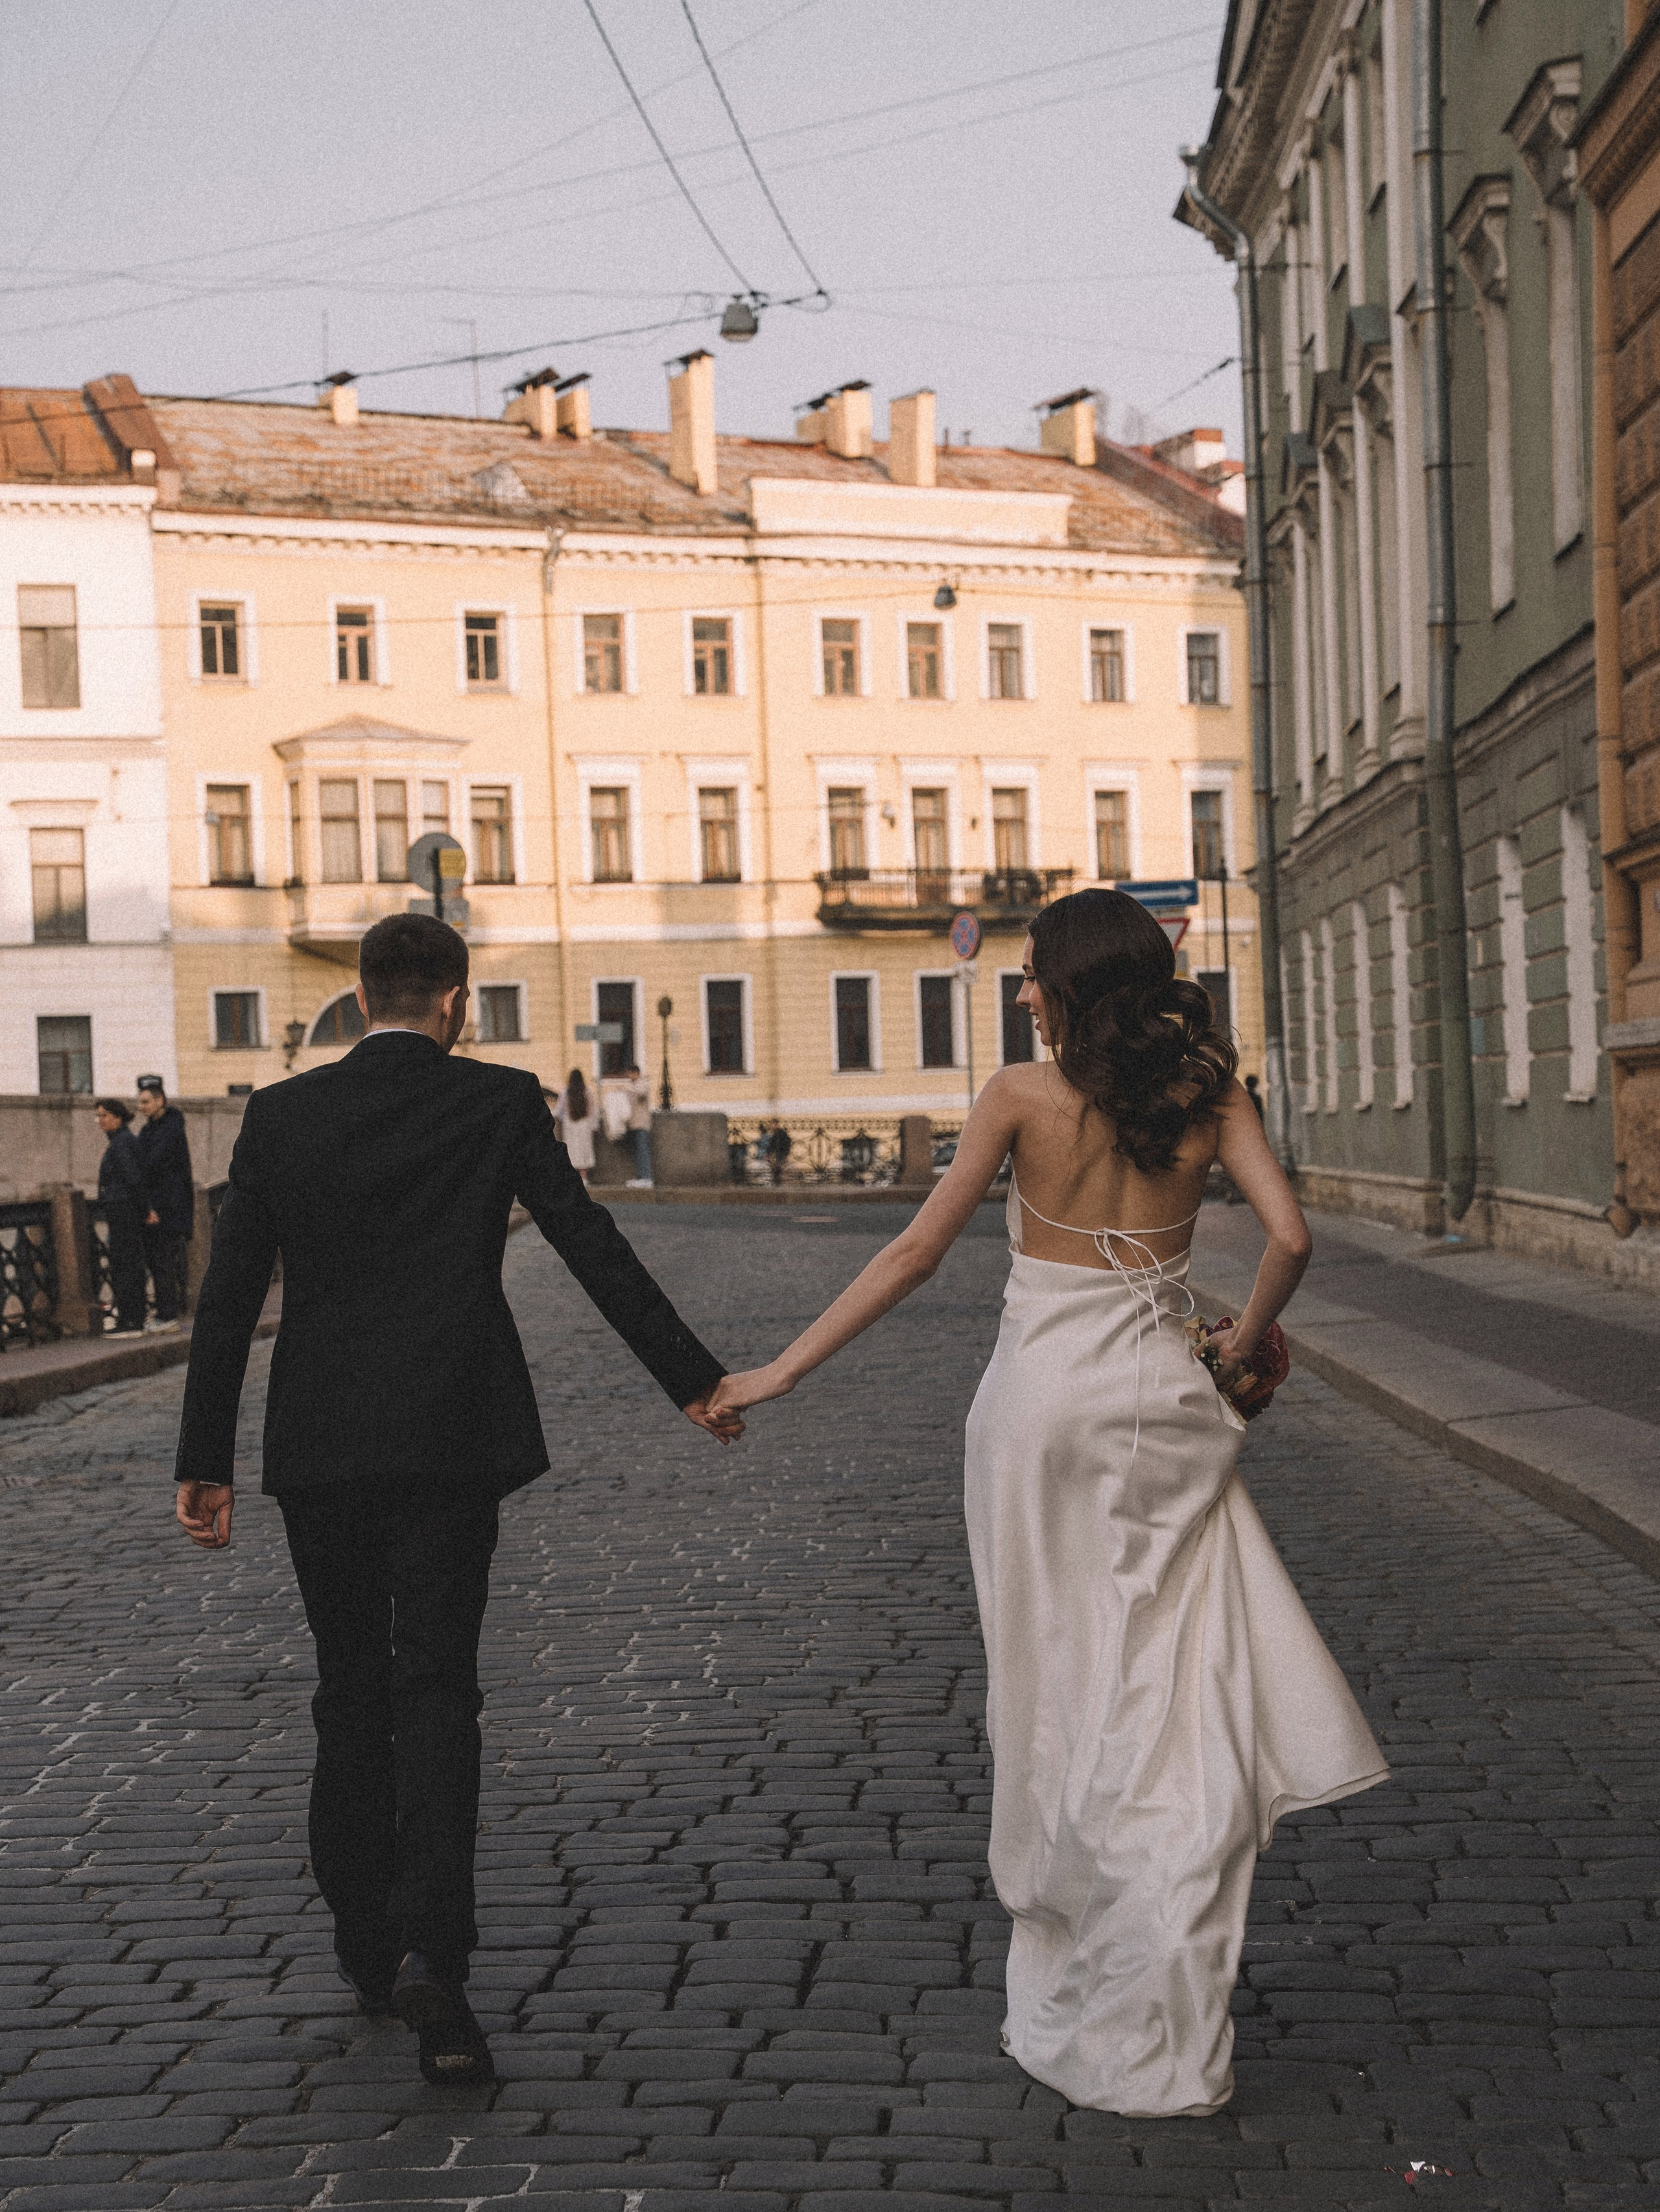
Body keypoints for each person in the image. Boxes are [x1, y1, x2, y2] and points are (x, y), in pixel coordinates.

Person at [711, 888, 1386, 2119]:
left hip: (1035, 1415)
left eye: (1032, 975)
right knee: (1170, 1674)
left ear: (1074, 985)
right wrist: (1242, 1349)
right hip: (1163, 1408)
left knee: (1052, 1671)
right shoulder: (1210, 1093)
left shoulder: (1021, 1098)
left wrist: (781, 1369)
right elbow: (1288, 1235)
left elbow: (913, 1254)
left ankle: (1077, 1902)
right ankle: (1170, 1893)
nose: (1021, 992)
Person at [173, 915, 739, 2087]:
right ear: (456, 1003)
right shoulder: (496, 1103)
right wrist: (691, 1379)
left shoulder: (280, 1116)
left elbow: (228, 1300)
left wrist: (204, 1459)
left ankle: (365, 1940)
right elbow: (590, 1244)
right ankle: (439, 1951)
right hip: (448, 1439)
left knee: (347, 1687)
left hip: (321, 1448)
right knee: (438, 1689)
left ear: (362, 995)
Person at [134, 1073, 194, 1334]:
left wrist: (153, 1207)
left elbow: (152, 1165)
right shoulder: (149, 1130)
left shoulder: (171, 1128)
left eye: (146, 1102)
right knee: (158, 1262)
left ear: (160, 1101)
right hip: (157, 1207)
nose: (142, 1107)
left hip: (167, 1209)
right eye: (140, 1102)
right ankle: (164, 1312)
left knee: (163, 1263)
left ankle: (168, 1316)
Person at [93, 1099, 148, 1333]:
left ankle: (130, 1320)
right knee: (128, 1266)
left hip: (124, 1214)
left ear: (117, 1117)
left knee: (126, 1267)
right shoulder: (121, 1141)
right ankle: (133, 1318)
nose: (100, 1121)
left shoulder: (121, 1144)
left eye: (104, 1115)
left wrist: (145, 1210)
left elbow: (134, 1180)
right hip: (124, 1212)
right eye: (98, 1116)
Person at [554, 1066, 597, 1185]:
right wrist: (594, 1126)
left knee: (571, 1150)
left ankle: (572, 1177)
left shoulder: (566, 1092)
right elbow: (592, 1111)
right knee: (584, 1149)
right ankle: (584, 1177)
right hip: (585, 1124)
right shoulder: (587, 1092)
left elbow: (558, 1111)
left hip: (570, 1124)